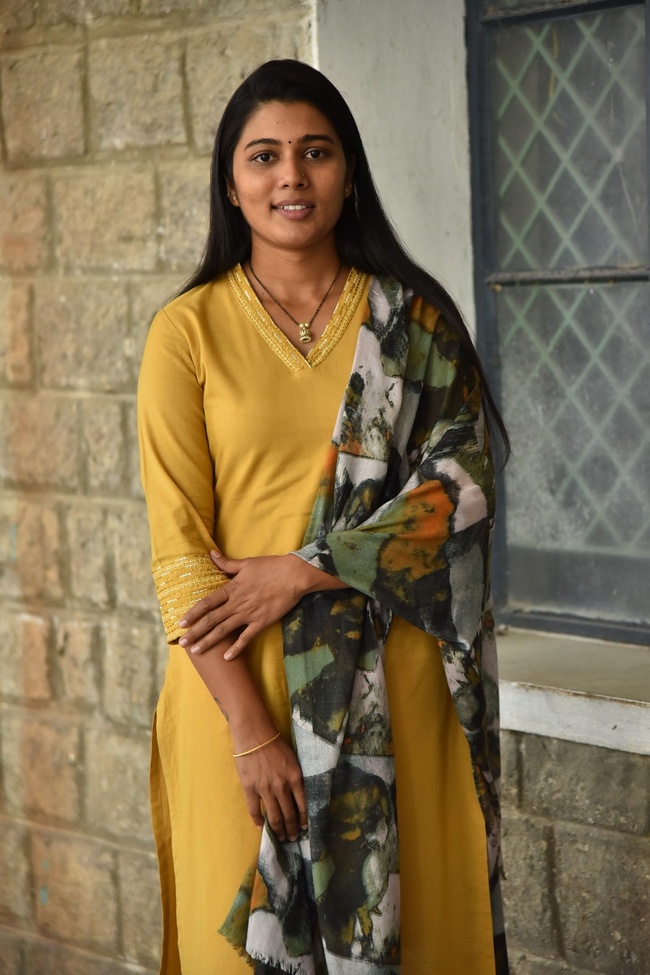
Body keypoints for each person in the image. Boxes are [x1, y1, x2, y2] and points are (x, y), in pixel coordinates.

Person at [138, 59, 510, 975]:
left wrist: (306, 566)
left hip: (396, 691)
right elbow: (181, 558)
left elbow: (463, 489)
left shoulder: (414, 323)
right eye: (263, 156)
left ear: (349, 173)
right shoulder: (186, 330)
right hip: (239, 691)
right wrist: (254, 731)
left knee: (420, 941)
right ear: (231, 183)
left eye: (316, 151)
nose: (291, 176)